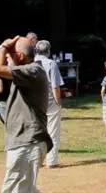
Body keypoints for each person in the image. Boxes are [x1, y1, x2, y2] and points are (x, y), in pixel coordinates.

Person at [0, 35, 52, 192]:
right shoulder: (26, 72)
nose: (6, 56)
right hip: (25, 142)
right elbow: (4, 67)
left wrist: (3, 46)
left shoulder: (33, 71)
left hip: (27, 143)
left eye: (10, 53)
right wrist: (9, 54)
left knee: (13, 190)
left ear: (20, 56)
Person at [34, 40, 63, 168]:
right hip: (50, 102)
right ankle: (51, 161)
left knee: (38, 131)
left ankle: (37, 160)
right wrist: (58, 101)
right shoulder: (51, 64)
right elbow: (55, 86)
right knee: (53, 132)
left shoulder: (31, 62)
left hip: (35, 102)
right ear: (48, 51)